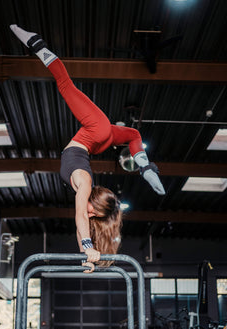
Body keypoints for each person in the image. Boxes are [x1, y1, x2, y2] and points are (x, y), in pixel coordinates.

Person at [10, 25, 165, 272]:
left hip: (98, 141)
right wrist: (87, 244)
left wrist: (87, 255)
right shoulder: (84, 182)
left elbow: (81, 222)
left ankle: (145, 167)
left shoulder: (85, 189)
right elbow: (80, 218)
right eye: (94, 212)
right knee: (65, 84)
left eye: (94, 215)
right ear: (93, 200)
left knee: (134, 134)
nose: (90, 214)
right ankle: (36, 43)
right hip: (96, 131)